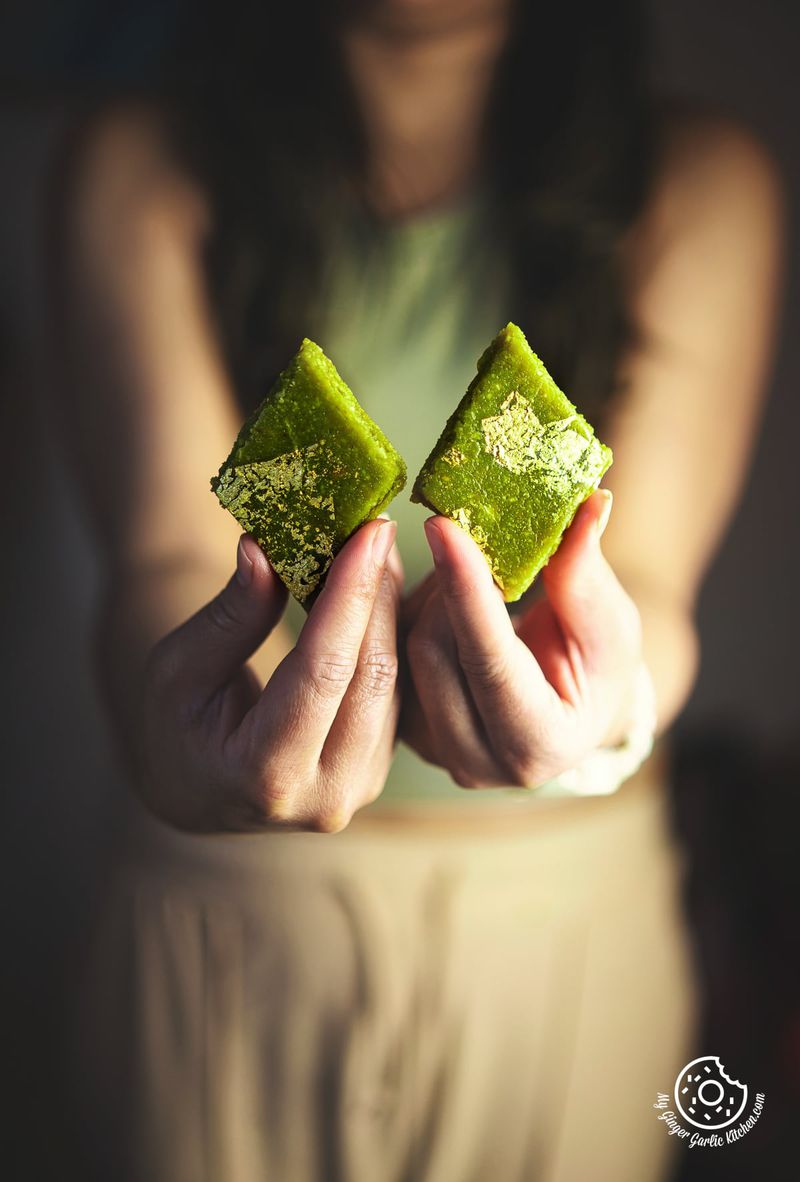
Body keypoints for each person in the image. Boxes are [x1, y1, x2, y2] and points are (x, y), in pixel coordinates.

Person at [50, 1, 782, 1178]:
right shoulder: (137, 161)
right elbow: (165, 561)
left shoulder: (702, 179)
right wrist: (171, 729)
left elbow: (644, 579)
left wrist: (599, 708)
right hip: (217, 934)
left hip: (568, 937)